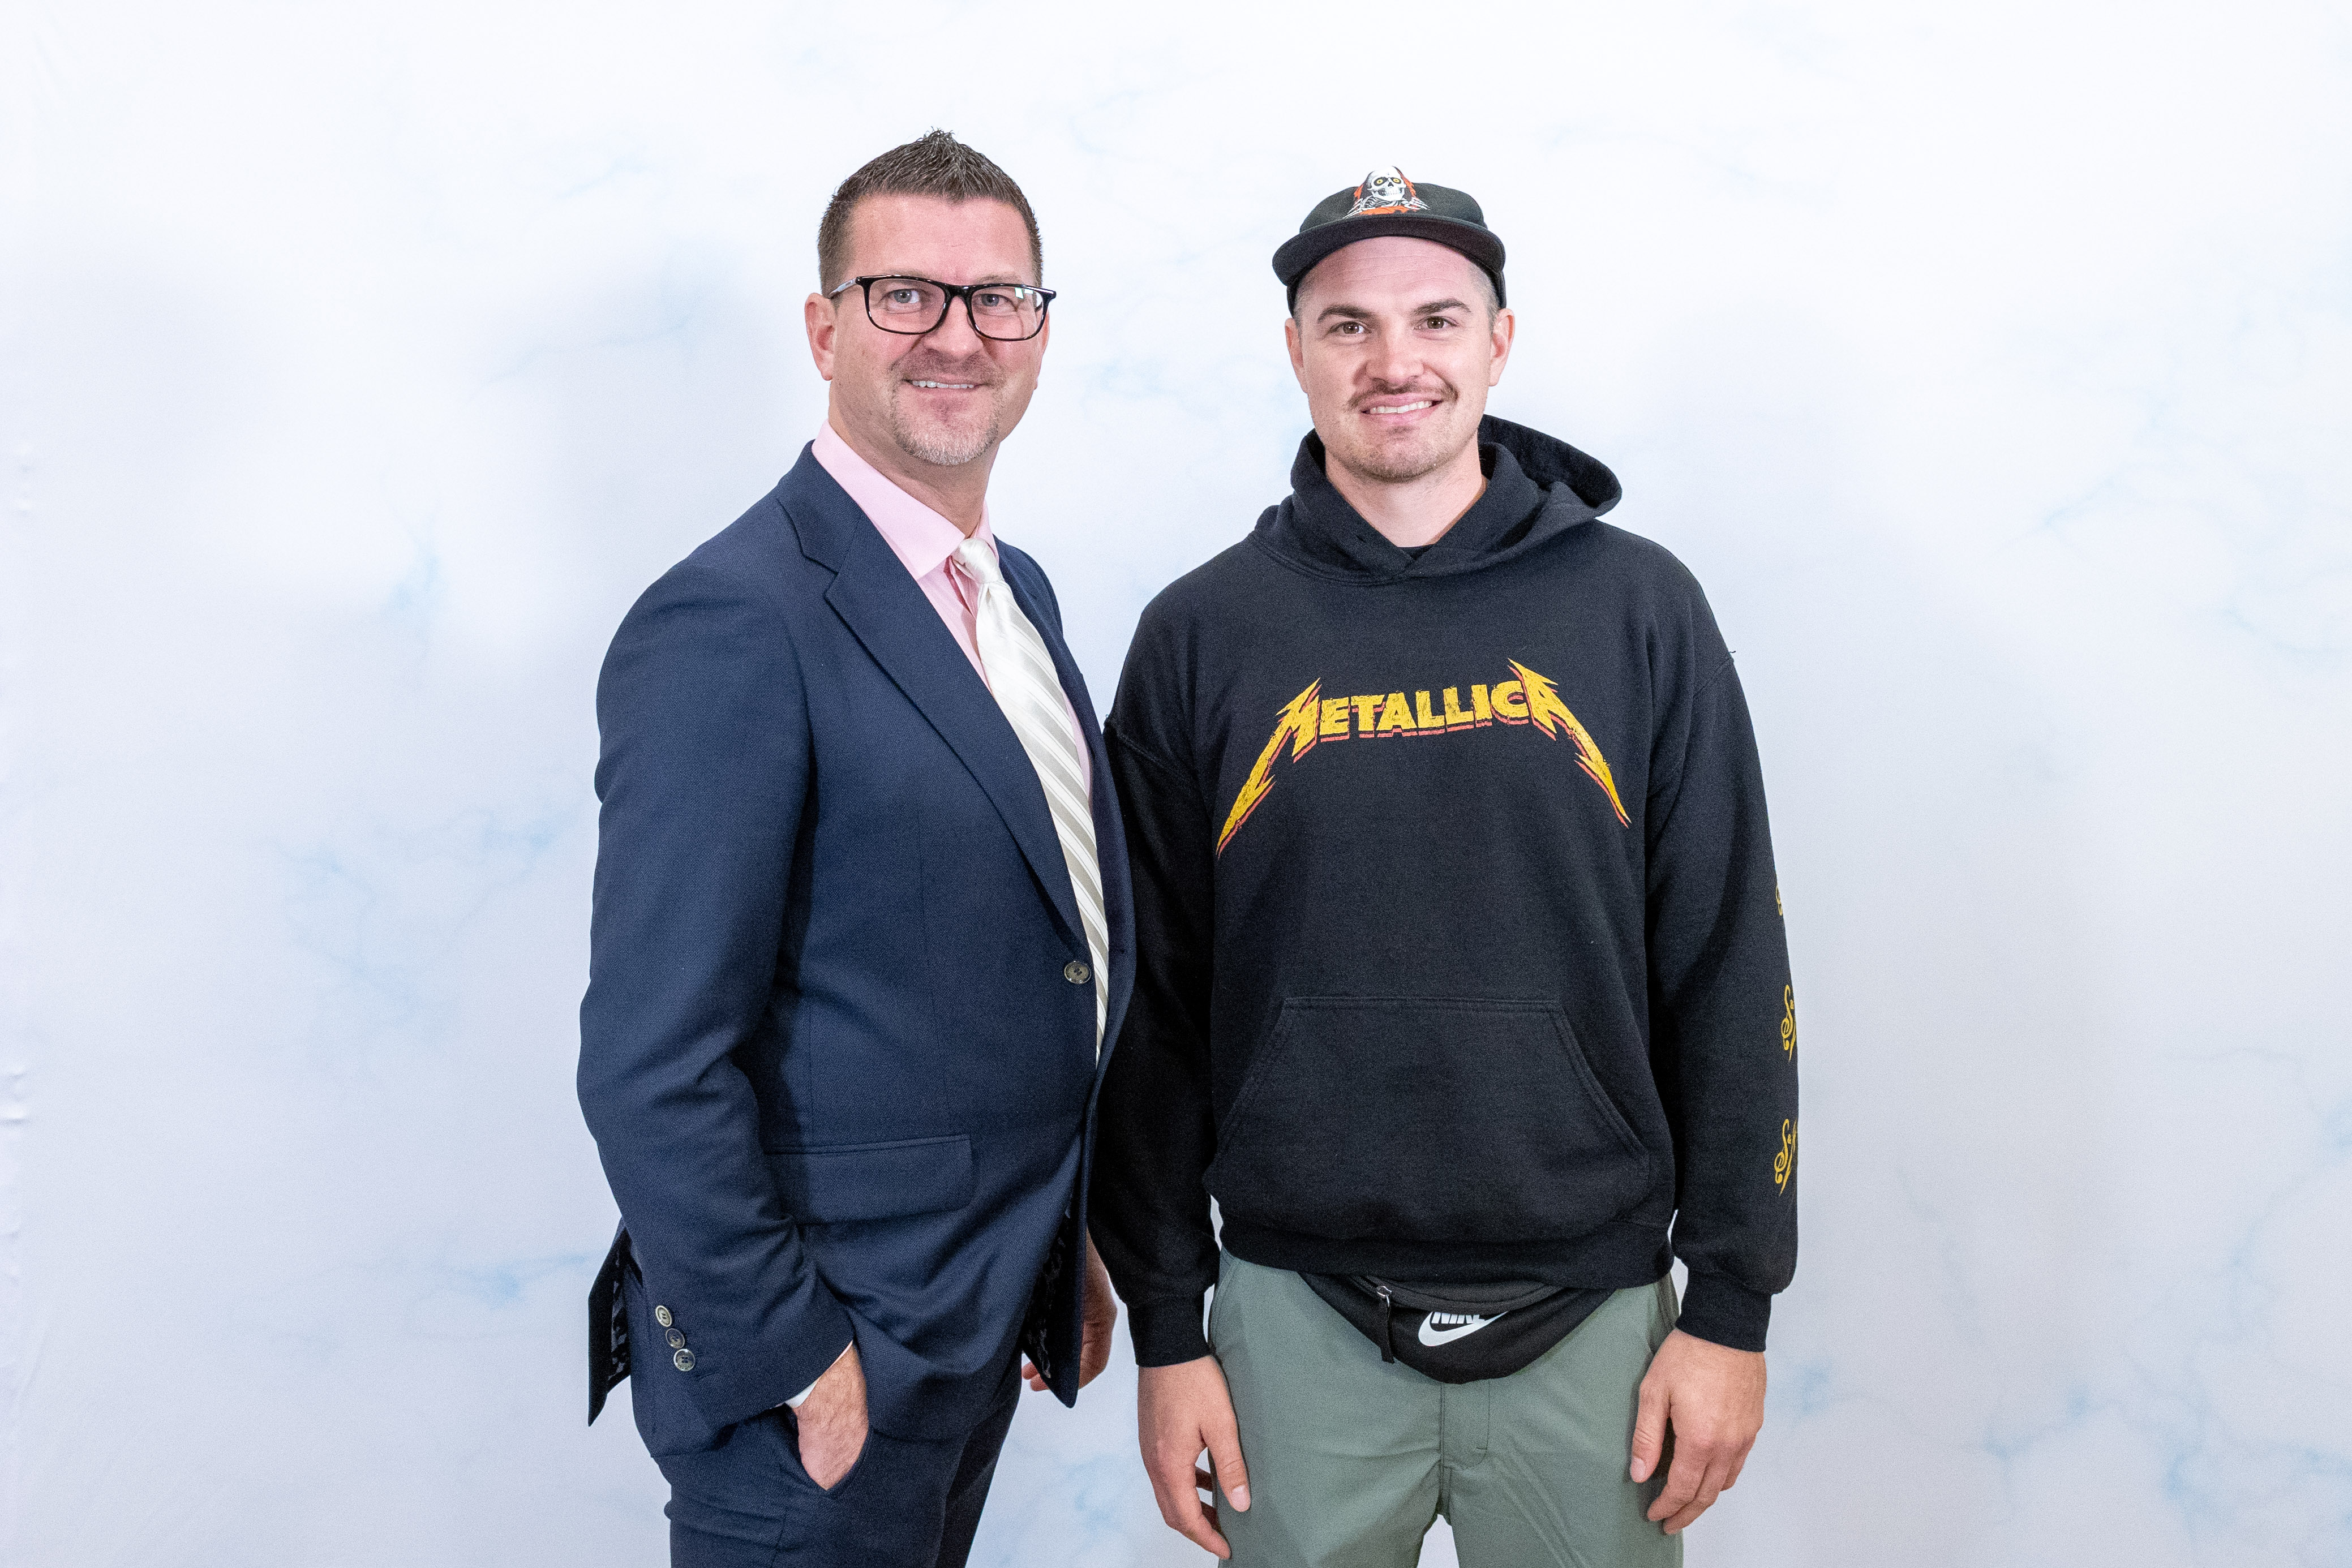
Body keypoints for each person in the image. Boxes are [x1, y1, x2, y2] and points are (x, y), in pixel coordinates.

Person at [1093, 166, 1799, 1566]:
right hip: (1291, 1316)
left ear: (1497, 342)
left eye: (1434, 318)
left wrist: (1729, 1307)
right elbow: (1147, 1006)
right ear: (1294, 350)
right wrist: (1167, 1326)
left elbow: (1727, 962)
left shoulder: (1637, 609)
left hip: (1593, 1319)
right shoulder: (1200, 635)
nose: (1393, 360)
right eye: (1346, 325)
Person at [577, 130, 1130, 1568]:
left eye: (996, 298)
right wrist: (790, 1354)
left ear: (1037, 333)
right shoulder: (733, 619)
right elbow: (650, 1060)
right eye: (904, 296)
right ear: (825, 330)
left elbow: (1016, 948)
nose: (956, 335)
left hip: (970, 1321)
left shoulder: (1014, 594)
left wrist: (1063, 1238)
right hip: (823, 1369)